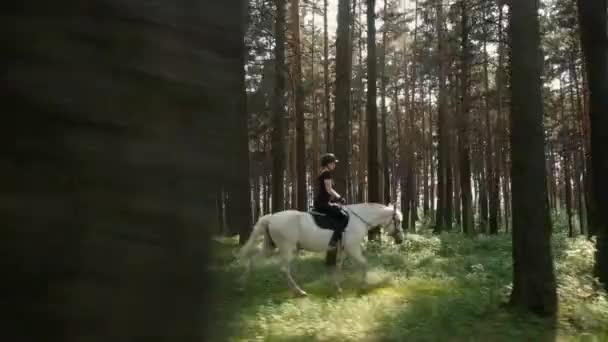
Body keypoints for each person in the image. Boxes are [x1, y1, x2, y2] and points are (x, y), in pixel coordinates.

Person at [313, 153, 348, 249]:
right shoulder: (327, 174)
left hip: (322, 202)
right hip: (323, 204)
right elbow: (329, 190)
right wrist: (339, 197)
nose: (334, 165)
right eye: (333, 163)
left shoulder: (322, 173)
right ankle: (334, 241)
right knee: (344, 217)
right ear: (327, 164)